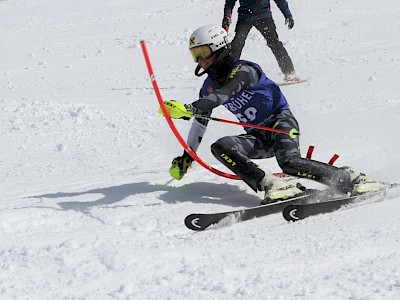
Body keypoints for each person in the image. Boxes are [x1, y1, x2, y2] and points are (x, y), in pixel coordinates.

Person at [165, 25, 387, 204]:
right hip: (258, 137)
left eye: (203, 53)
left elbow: (227, 93)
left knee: (289, 163)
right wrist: (187, 157)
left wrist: (193, 106)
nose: (199, 61)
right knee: (221, 147)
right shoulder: (208, 87)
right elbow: (199, 124)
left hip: (280, 123)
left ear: (220, 49)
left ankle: (352, 179)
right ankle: (274, 186)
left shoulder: (245, 71)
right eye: (195, 55)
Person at [222, 0, 297, 82]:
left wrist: (288, 15)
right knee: (237, 44)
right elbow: (230, 2)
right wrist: (227, 16)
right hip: (245, 16)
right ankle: (227, 73)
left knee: (274, 43)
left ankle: (289, 71)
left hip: (263, 15)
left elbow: (280, 1)